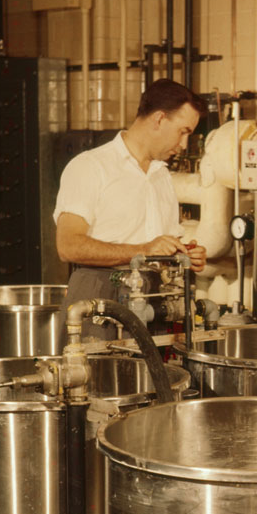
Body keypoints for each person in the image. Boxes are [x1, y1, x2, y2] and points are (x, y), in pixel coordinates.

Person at [54, 79, 208, 338]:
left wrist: (184, 254)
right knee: (97, 365)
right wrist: (144, 250)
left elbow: (160, 244)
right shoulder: (91, 166)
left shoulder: (161, 176)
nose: (184, 144)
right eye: (183, 132)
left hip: (153, 298)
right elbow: (68, 246)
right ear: (159, 119)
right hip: (99, 297)